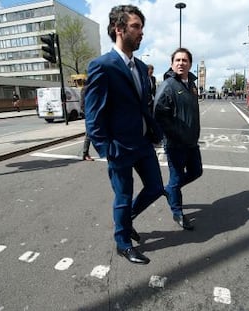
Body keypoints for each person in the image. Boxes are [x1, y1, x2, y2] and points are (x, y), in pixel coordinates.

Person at [84, 5, 165, 265]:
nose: (141, 33)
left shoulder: (141, 67)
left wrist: (155, 132)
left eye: (142, 27)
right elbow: (93, 114)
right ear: (119, 29)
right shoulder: (102, 66)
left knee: (155, 188)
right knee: (123, 197)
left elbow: (144, 105)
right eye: (136, 27)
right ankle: (123, 243)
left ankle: (125, 221)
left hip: (142, 143)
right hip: (119, 146)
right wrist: (106, 149)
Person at [154, 47, 203, 231]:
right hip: (175, 143)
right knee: (176, 178)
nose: (181, 63)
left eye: (185, 60)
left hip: (191, 141)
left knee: (196, 171)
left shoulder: (191, 84)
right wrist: (175, 134)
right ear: (172, 64)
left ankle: (170, 190)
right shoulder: (168, 85)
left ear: (190, 64)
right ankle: (177, 212)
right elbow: (159, 114)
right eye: (178, 60)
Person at [80, 83, 93, 161]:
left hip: (91, 114)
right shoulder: (86, 89)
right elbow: (83, 105)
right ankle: (85, 153)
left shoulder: (87, 88)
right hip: (90, 114)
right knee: (89, 134)